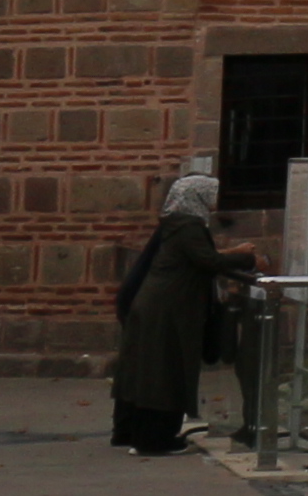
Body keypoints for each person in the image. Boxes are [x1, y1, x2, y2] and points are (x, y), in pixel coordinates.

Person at [108, 173, 253, 458]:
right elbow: (208, 261)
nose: (215, 202)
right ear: (197, 196)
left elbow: (196, 256)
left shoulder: (176, 224)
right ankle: (156, 439)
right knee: (165, 373)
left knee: (144, 371)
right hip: (167, 311)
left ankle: (129, 431)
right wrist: (247, 258)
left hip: (154, 307)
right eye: (210, 194)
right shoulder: (188, 225)